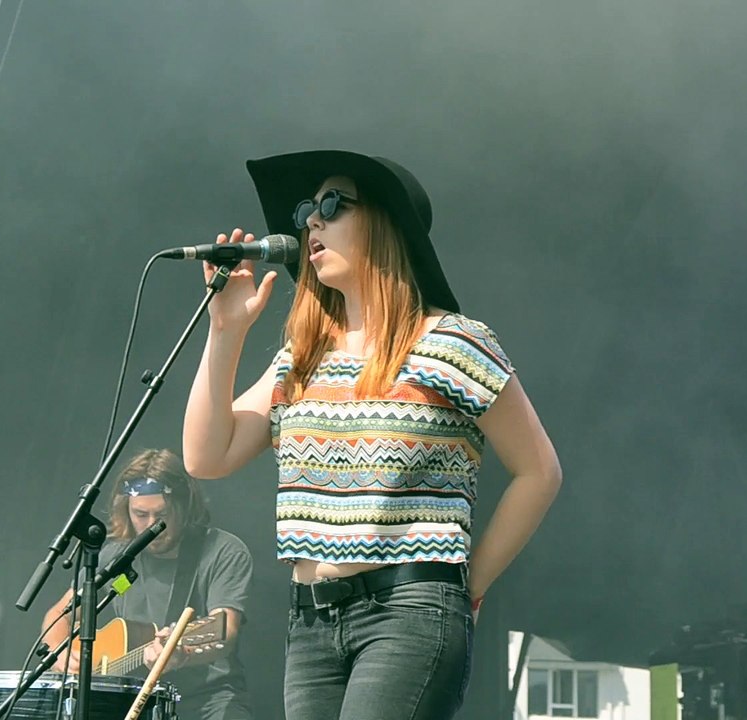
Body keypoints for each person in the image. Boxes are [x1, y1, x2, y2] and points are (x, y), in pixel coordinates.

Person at [181, 150, 563, 719]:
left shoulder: (452, 342)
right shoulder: (302, 358)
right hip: (310, 621)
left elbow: (539, 471)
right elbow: (206, 457)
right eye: (308, 208)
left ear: (387, 223)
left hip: (410, 610)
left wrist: (469, 586)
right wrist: (225, 331)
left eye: (333, 204)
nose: (311, 219)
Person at [40, 448, 254, 720]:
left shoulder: (222, 550)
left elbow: (225, 630)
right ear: (125, 508)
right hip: (134, 701)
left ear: (183, 506)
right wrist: (61, 654)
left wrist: (182, 655)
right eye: (140, 514)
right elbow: (59, 615)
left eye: (161, 514)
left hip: (208, 701)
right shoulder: (115, 557)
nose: (152, 525)